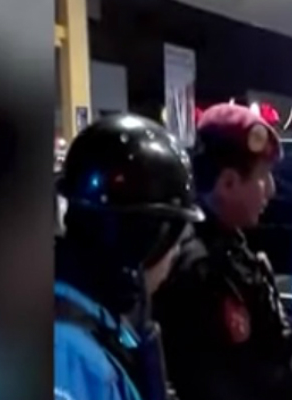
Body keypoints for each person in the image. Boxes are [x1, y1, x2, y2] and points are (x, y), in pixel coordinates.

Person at [153, 103, 292, 400]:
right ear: (228, 183)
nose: (272, 190)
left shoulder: (226, 246)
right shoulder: (202, 268)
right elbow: (243, 385)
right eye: (263, 176)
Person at [54, 114, 204, 400]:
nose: (176, 253)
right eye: (174, 238)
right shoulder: (70, 355)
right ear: (145, 240)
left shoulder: (102, 319)